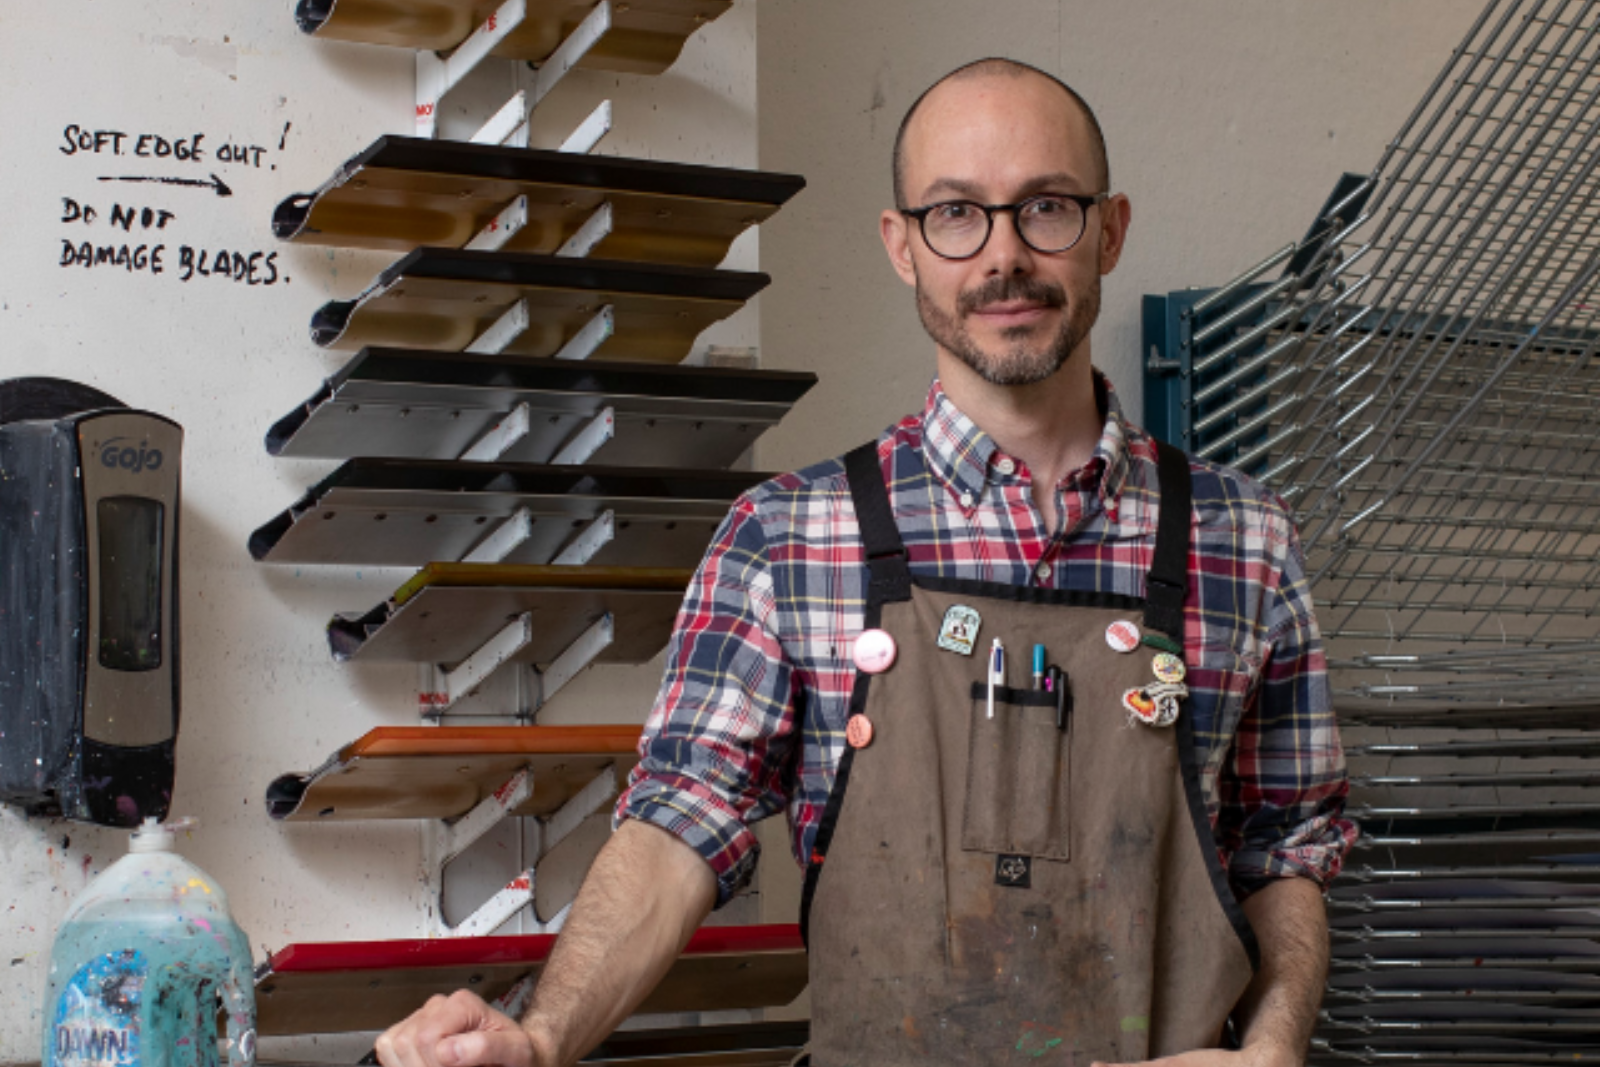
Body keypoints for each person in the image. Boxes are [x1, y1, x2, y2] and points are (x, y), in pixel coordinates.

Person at [376, 57, 1355, 1067]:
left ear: (1109, 228)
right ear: (902, 246)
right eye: (955, 214)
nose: (1003, 255)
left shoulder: (1242, 539)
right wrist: (539, 1038)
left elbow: (1281, 851)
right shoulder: (786, 537)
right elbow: (675, 830)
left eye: (1047, 207)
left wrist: (1270, 1049)